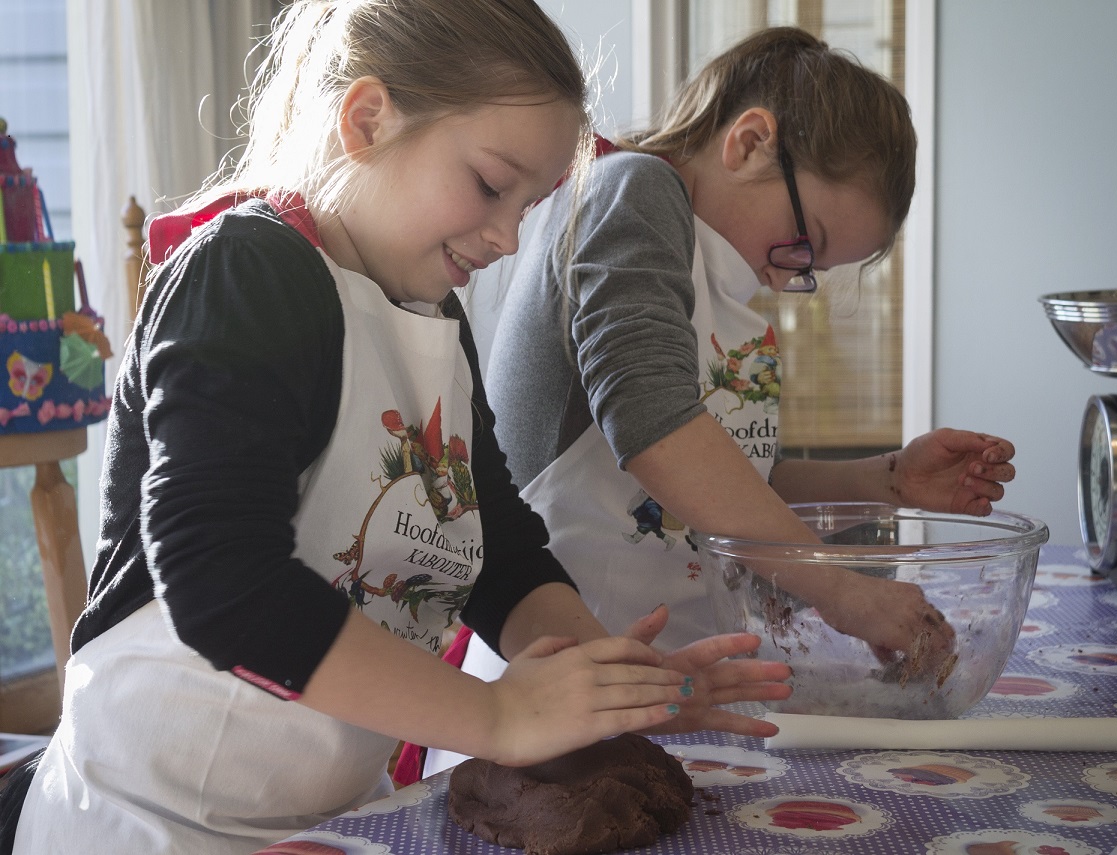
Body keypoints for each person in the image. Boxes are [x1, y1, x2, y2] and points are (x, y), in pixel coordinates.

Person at [3, 3, 791, 854]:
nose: (505, 235)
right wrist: (497, 711)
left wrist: (603, 683)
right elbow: (221, 579)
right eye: (493, 185)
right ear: (368, 119)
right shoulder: (248, 271)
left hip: (333, 821)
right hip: (147, 823)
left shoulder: (434, 319)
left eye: (530, 206)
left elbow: (503, 552)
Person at [461, 27, 1019, 679]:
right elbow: (655, 429)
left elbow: (736, 474)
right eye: (804, 243)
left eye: (811, 270)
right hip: (562, 673)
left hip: (668, 671)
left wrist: (889, 477)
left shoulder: (720, 281)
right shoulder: (632, 190)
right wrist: (840, 587)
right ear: (750, 143)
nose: (786, 279)